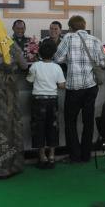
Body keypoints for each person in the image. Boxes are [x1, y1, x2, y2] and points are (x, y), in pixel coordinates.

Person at [54, 15, 105, 163]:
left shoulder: (68, 38)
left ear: (70, 27)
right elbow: (103, 62)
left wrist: (69, 60)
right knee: (88, 121)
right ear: (84, 26)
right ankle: (86, 155)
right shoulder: (95, 40)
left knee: (70, 122)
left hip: (74, 88)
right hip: (91, 87)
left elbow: (57, 58)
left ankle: (74, 156)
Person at [0, 16, 28, 178]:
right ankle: (14, 165)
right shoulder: (12, 46)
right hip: (11, 90)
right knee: (12, 123)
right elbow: (24, 65)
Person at [27, 40, 66, 169]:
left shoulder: (35, 66)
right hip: (52, 100)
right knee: (53, 127)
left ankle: (42, 157)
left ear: (39, 52)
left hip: (38, 100)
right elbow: (61, 85)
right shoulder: (57, 67)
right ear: (54, 53)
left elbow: (29, 80)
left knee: (38, 128)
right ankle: (52, 156)